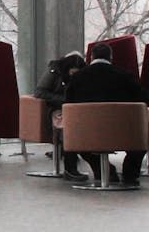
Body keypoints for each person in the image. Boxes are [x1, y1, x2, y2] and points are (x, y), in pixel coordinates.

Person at [64, 43, 149, 186]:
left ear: (91, 57)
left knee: (80, 143)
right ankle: (130, 175)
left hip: (85, 135)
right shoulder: (124, 76)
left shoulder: (77, 78)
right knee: (143, 137)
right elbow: (144, 98)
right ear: (110, 57)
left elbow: (68, 103)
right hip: (122, 133)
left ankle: (104, 171)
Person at [34, 51, 87, 180]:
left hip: (77, 109)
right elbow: (40, 92)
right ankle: (70, 168)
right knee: (68, 126)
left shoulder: (84, 74)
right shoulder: (54, 72)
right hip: (57, 108)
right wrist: (63, 99)